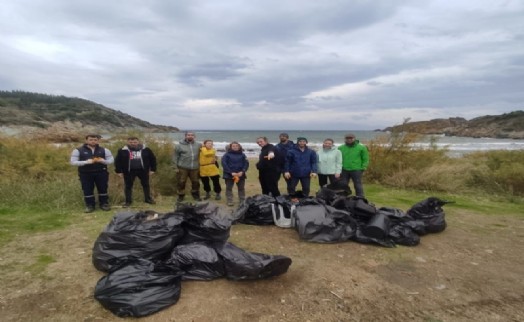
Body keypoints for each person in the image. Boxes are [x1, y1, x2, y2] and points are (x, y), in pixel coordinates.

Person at [70, 134, 114, 213]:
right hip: (85, 173)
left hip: (101, 172)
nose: (93, 141)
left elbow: (111, 160)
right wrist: (86, 162)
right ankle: (90, 205)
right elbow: (73, 162)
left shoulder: (104, 150)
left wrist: (103, 161)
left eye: (95, 140)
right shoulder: (78, 150)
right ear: (86, 140)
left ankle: (104, 204)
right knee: (87, 189)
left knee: (103, 188)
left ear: (98, 141)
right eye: (91, 139)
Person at [114, 136, 157, 207]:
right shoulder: (122, 150)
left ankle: (148, 199)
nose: (133, 143)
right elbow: (117, 161)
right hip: (129, 171)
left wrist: (153, 169)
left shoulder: (146, 149)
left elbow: (152, 159)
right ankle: (128, 201)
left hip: (143, 170)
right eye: (131, 142)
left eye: (135, 142)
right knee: (128, 186)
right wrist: (118, 171)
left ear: (138, 142)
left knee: (146, 185)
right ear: (128, 142)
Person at [173, 131, 202, 202]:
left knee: (195, 182)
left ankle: (195, 195)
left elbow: (204, 153)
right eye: (188, 135)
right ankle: (181, 195)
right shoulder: (179, 145)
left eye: (192, 135)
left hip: (195, 167)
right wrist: (175, 167)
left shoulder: (199, 145)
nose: (190, 136)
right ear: (185, 136)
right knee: (181, 182)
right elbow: (175, 157)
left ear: (194, 136)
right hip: (183, 167)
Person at [338, 133, 369, 197]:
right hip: (344, 169)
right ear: (345, 139)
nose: (349, 140)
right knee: (343, 184)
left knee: (357, 184)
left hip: (356, 169)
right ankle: (343, 197)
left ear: (354, 139)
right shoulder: (340, 148)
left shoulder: (361, 147)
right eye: (347, 138)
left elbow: (365, 158)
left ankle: (360, 198)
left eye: (351, 138)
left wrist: (363, 167)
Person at [221, 141, 249, 206]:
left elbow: (246, 163)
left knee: (241, 188)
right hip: (229, 175)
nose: (235, 147)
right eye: (233, 146)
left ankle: (242, 200)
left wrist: (243, 171)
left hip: (240, 174)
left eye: (236, 146)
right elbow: (224, 164)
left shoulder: (243, 155)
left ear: (239, 147)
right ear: (231, 147)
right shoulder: (226, 155)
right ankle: (229, 201)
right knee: (229, 188)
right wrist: (231, 172)